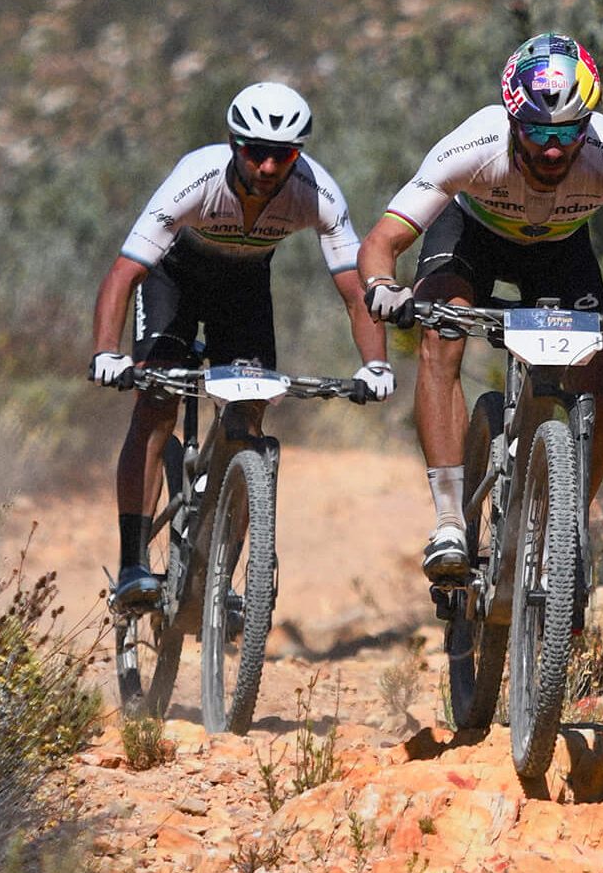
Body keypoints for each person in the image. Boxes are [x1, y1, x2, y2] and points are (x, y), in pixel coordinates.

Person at [356, 32, 603, 582]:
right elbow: (380, 242)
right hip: (470, 236)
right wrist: (384, 286)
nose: (553, 148)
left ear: (588, 124)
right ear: (510, 120)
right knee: (441, 335)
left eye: (568, 131)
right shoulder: (472, 146)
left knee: (602, 367)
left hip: (558, 248)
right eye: (537, 131)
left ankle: (570, 527)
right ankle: (451, 520)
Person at [90, 81, 394, 609]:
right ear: (234, 145)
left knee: (249, 420)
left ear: (298, 154)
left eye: (284, 155)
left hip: (244, 289)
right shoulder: (196, 179)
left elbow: (354, 291)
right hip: (173, 282)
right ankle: (133, 564)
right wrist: (106, 353)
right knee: (156, 405)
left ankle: (224, 577)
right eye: (256, 153)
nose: (269, 168)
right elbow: (124, 274)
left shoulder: (317, 193)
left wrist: (375, 364)